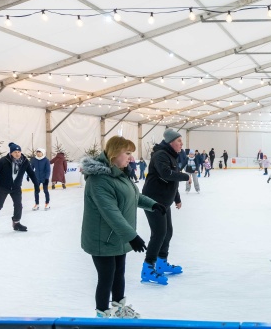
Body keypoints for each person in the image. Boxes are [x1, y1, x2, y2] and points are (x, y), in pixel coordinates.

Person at [80, 136, 165, 318]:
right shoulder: (99, 180)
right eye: (127, 153)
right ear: (114, 154)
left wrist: (153, 204)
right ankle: (102, 315)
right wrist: (132, 236)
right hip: (103, 238)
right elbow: (111, 212)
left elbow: (133, 196)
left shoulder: (120, 174)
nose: (130, 158)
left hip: (117, 236)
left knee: (119, 274)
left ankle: (119, 309)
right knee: (106, 277)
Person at [141, 129, 191, 285]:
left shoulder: (171, 156)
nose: (181, 144)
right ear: (171, 142)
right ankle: (148, 268)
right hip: (153, 200)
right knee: (159, 233)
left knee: (167, 232)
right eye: (179, 141)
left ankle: (162, 263)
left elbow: (171, 180)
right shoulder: (161, 155)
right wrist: (186, 176)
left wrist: (176, 198)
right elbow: (166, 174)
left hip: (164, 201)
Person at [0, 142, 38, 233]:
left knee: (18, 205)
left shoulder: (25, 161)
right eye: (15, 152)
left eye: (19, 152)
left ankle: (16, 223)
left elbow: (31, 173)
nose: (17, 154)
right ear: (11, 153)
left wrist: (36, 185)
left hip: (16, 187)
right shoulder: (4, 160)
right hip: (3, 186)